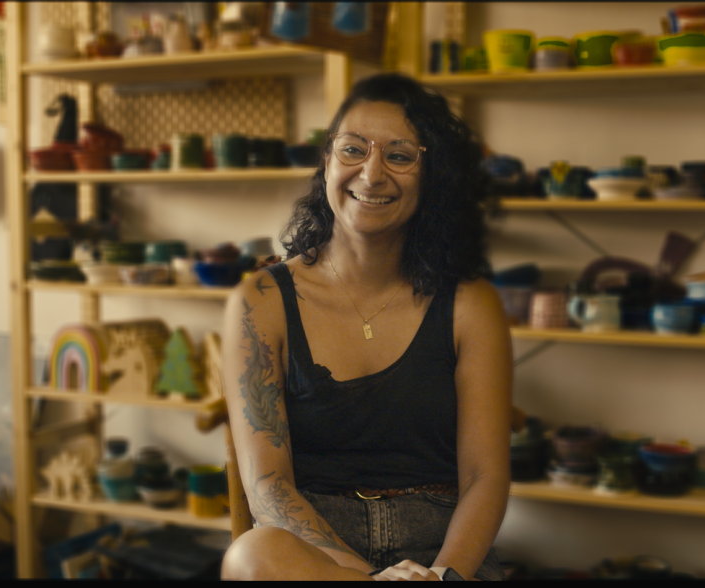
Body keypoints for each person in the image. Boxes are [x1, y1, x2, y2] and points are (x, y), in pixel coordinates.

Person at [219, 73, 512, 581]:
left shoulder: (470, 303)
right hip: (316, 551)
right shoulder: (260, 301)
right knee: (250, 556)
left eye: (399, 156)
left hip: (440, 546)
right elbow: (267, 484)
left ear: (431, 176)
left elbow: (485, 478)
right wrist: (367, 579)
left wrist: (442, 576)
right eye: (353, 150)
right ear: (327, 162)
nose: (371, 174)